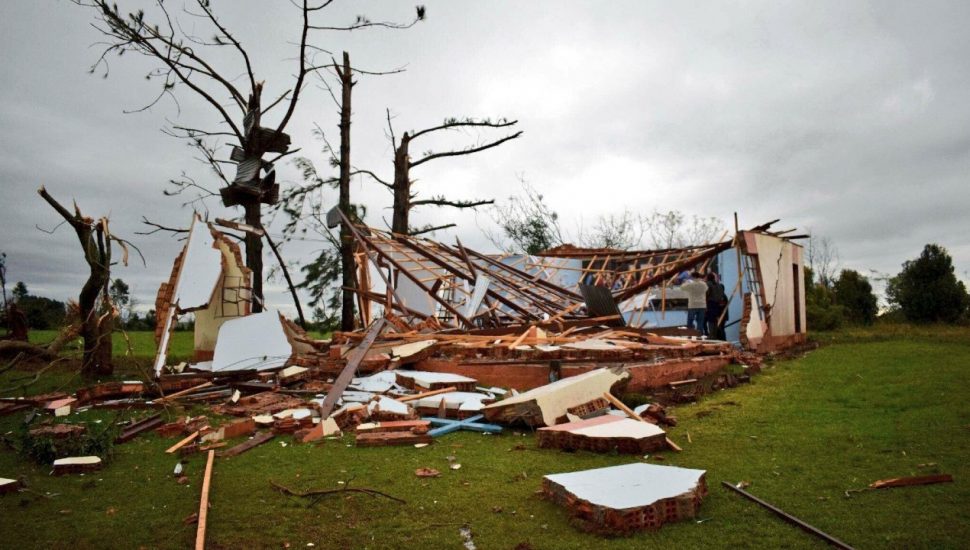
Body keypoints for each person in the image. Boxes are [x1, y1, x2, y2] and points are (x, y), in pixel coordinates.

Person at [705, 272, 728, 340]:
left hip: (710, 304)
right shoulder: (719, 285)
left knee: (710, 320)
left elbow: (706, 294)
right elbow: (721, 295)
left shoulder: (708, 284)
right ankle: (714, 335)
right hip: (717, 305)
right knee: (715, 321)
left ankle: (711, 335)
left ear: (708, 278)